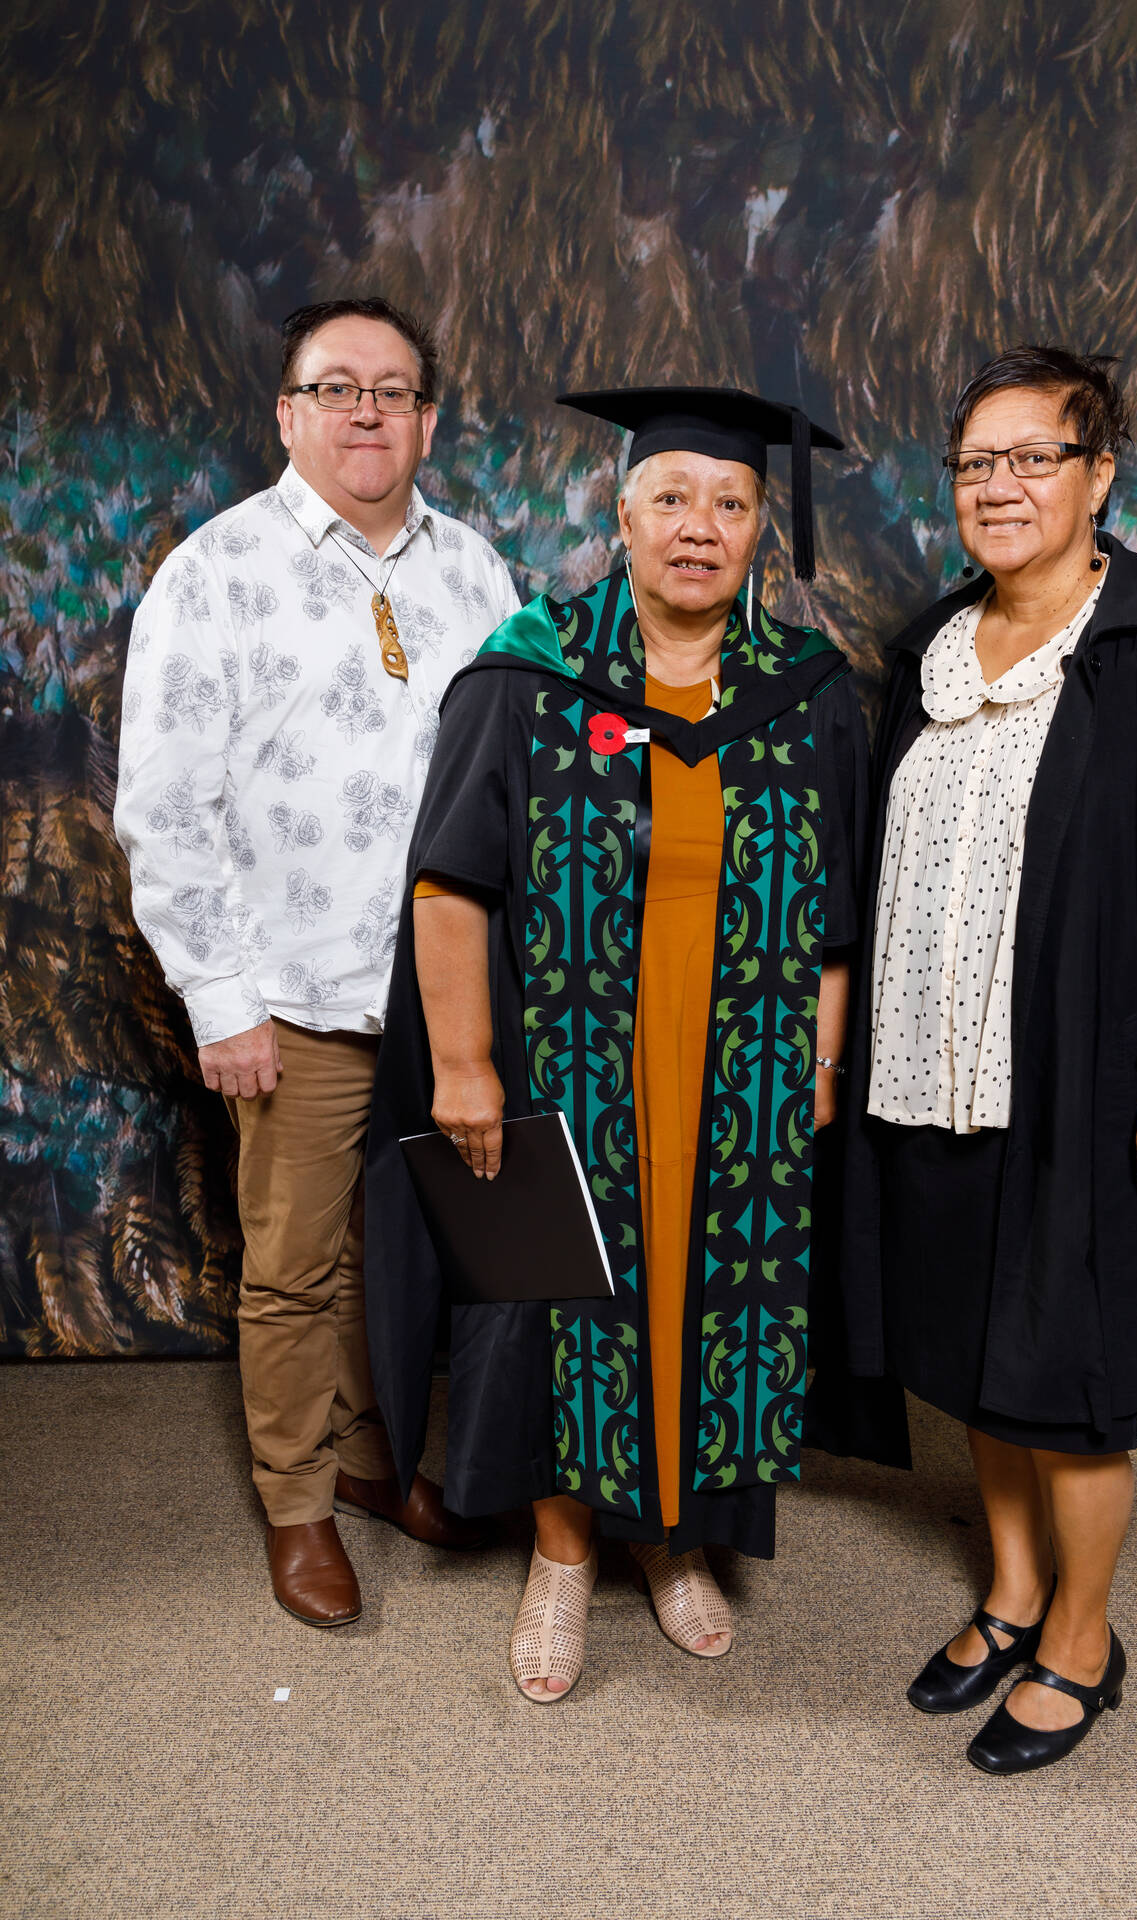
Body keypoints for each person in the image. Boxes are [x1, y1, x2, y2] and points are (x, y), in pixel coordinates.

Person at [364, 385, 896, 1701]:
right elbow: (450, 884)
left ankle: (673, 1542)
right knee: (558, 1302)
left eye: (731, 503)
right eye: (671, 499)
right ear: (621, 515)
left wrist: (823, 1068)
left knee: (718, 1303)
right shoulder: (530, 675)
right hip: (570, 1071)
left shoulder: (805, 694)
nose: (698, 527)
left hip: (742, 1079)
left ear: (761, 528)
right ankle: (560, 1554)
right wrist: (465, 1066)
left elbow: (838, 914)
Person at [840, 344, 1137, 1773]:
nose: (999, 487)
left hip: (1089, 1082)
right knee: (981, 1357)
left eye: (1034, 457)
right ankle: (1014, 1593)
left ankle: (1083, 1644)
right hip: (932, 1072)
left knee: (1075, 1378)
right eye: (976, 463)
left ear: (1101, 476)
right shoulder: (931, 644)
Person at [114, 297, 521, 1626]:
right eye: (337, 387)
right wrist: (220, 1001)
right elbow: (164, 808)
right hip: (292, 994)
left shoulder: (478, 572)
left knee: (405, 1250)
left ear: (428, 422)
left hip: (446, 999)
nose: (366, 411)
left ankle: (368, 1458)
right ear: (288, 414)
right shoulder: (215, 572)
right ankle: (297, 1503)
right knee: (294, 1265)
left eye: (393, 390)